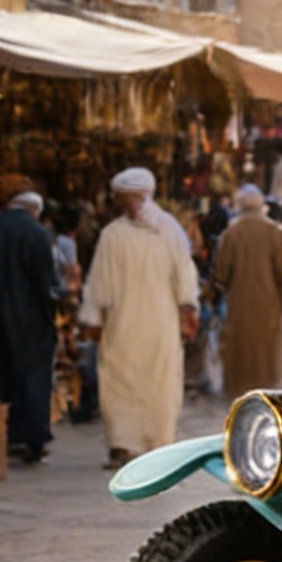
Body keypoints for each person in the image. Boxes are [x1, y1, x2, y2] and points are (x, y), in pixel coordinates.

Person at [79, 166, 200, 468]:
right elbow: (100, 283)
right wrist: (94, 319)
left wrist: (187, 309)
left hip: (158, 322)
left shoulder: (167, 231)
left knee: (158, 383)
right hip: (127, 324)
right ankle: (124, 444)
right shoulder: (114, 235)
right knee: (121, 381)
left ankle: (158, 444)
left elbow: (183, 276)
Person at [0, 178, 58, 464]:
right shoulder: (39, 234)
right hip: (32, 321)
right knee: (32, 378)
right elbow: (46, 283)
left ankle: (0, 436)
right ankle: (32, 438)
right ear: (34, 210)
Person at [212, 186, 282, 398]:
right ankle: (265, 389)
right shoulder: (276, 232)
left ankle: (238, 390)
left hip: (239, 302)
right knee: (265, 349)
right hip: (268, 303)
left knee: (241, 348)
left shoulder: (232, 233)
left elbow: (221, 273)